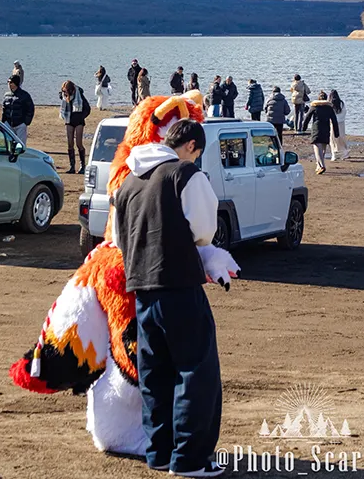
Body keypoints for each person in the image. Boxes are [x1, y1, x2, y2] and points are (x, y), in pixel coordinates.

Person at [112, 117, 225, 478]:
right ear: (191, 145)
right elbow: (205, 231)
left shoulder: (128, 181)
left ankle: (159, 452)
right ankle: (190, 459)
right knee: (196, 372)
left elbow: (116, 238)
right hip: (178, 284)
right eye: (198, 153)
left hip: (142, 289)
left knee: (155, 373)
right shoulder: (185, 175)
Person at [303, 92, 339, 175]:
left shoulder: (314, 107)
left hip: (316, 129)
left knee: (317, 149)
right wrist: (336, 133)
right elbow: (334, 121)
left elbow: (307, 117)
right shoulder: (329, 108)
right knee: (322, 149)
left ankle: (322, 166)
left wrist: (303, 128)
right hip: (326, 129)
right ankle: (319, 166)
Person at [60, 80, 91, 174]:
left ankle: (82, 166)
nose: (64, 93)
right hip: (69, 120)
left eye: (66, 91)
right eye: (63, 91)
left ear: (71, 90)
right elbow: (62, 102)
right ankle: (72, 166)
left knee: (79, 143)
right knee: (70, 143)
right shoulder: (64, 96)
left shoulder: (79, 95)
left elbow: (87, 108)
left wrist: (81, 116)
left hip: (78, 121)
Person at [2, 75, 35, 146]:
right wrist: (4, 121)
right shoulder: (6, 95)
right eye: (8, 82)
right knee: (8, 144)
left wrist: (25, 122)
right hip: (8, 124)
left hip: (20, 124)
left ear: (16, 83)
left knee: (21, 145)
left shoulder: (24, 95)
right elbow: (4, 108)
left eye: (11, 82)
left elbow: (30, 109)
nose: (9, 84)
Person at [328, 89, 349, 160]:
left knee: (333, 139)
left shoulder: (330, 103)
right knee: (341, 138)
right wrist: (340, 119)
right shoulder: (341, 103)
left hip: (332, 123)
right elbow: (344, 112)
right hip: (341, 123)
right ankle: (344, 153)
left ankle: (334, 154)